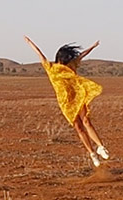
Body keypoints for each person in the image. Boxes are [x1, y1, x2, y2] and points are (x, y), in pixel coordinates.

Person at [24, 36, 111, 167]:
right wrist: (30, 43)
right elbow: (40, 53)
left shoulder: (71, 65)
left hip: (77, 96)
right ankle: (92, 154)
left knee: (86, 121)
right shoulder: (50, 67)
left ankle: (100, 147)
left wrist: (92, 47)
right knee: (78, 127)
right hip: (65, 103)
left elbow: (82, 55)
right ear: (60, 59)